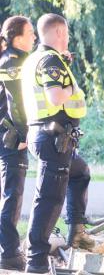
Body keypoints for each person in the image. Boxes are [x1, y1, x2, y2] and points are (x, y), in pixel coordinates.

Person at [22, 14, 93, 273]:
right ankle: (36, 263)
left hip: (48, 136)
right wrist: (72, 87)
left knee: (80, 172)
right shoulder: (51, 61)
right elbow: (55, 97)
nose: (69, 38)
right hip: (54, 138)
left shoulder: (34, 60)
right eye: (68, 34)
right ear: (60, 32)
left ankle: (77, 231)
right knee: (49, 199)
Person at [0, 16, 36, 271]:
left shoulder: (16, 60)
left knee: (12, 194)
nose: (34, 37)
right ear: (17, 36)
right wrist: (23, 135)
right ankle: (10, 254)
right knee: (12, 195)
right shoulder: (12, 61)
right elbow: (16, 102)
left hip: (8, 134)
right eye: (30, 32)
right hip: (10, 137)